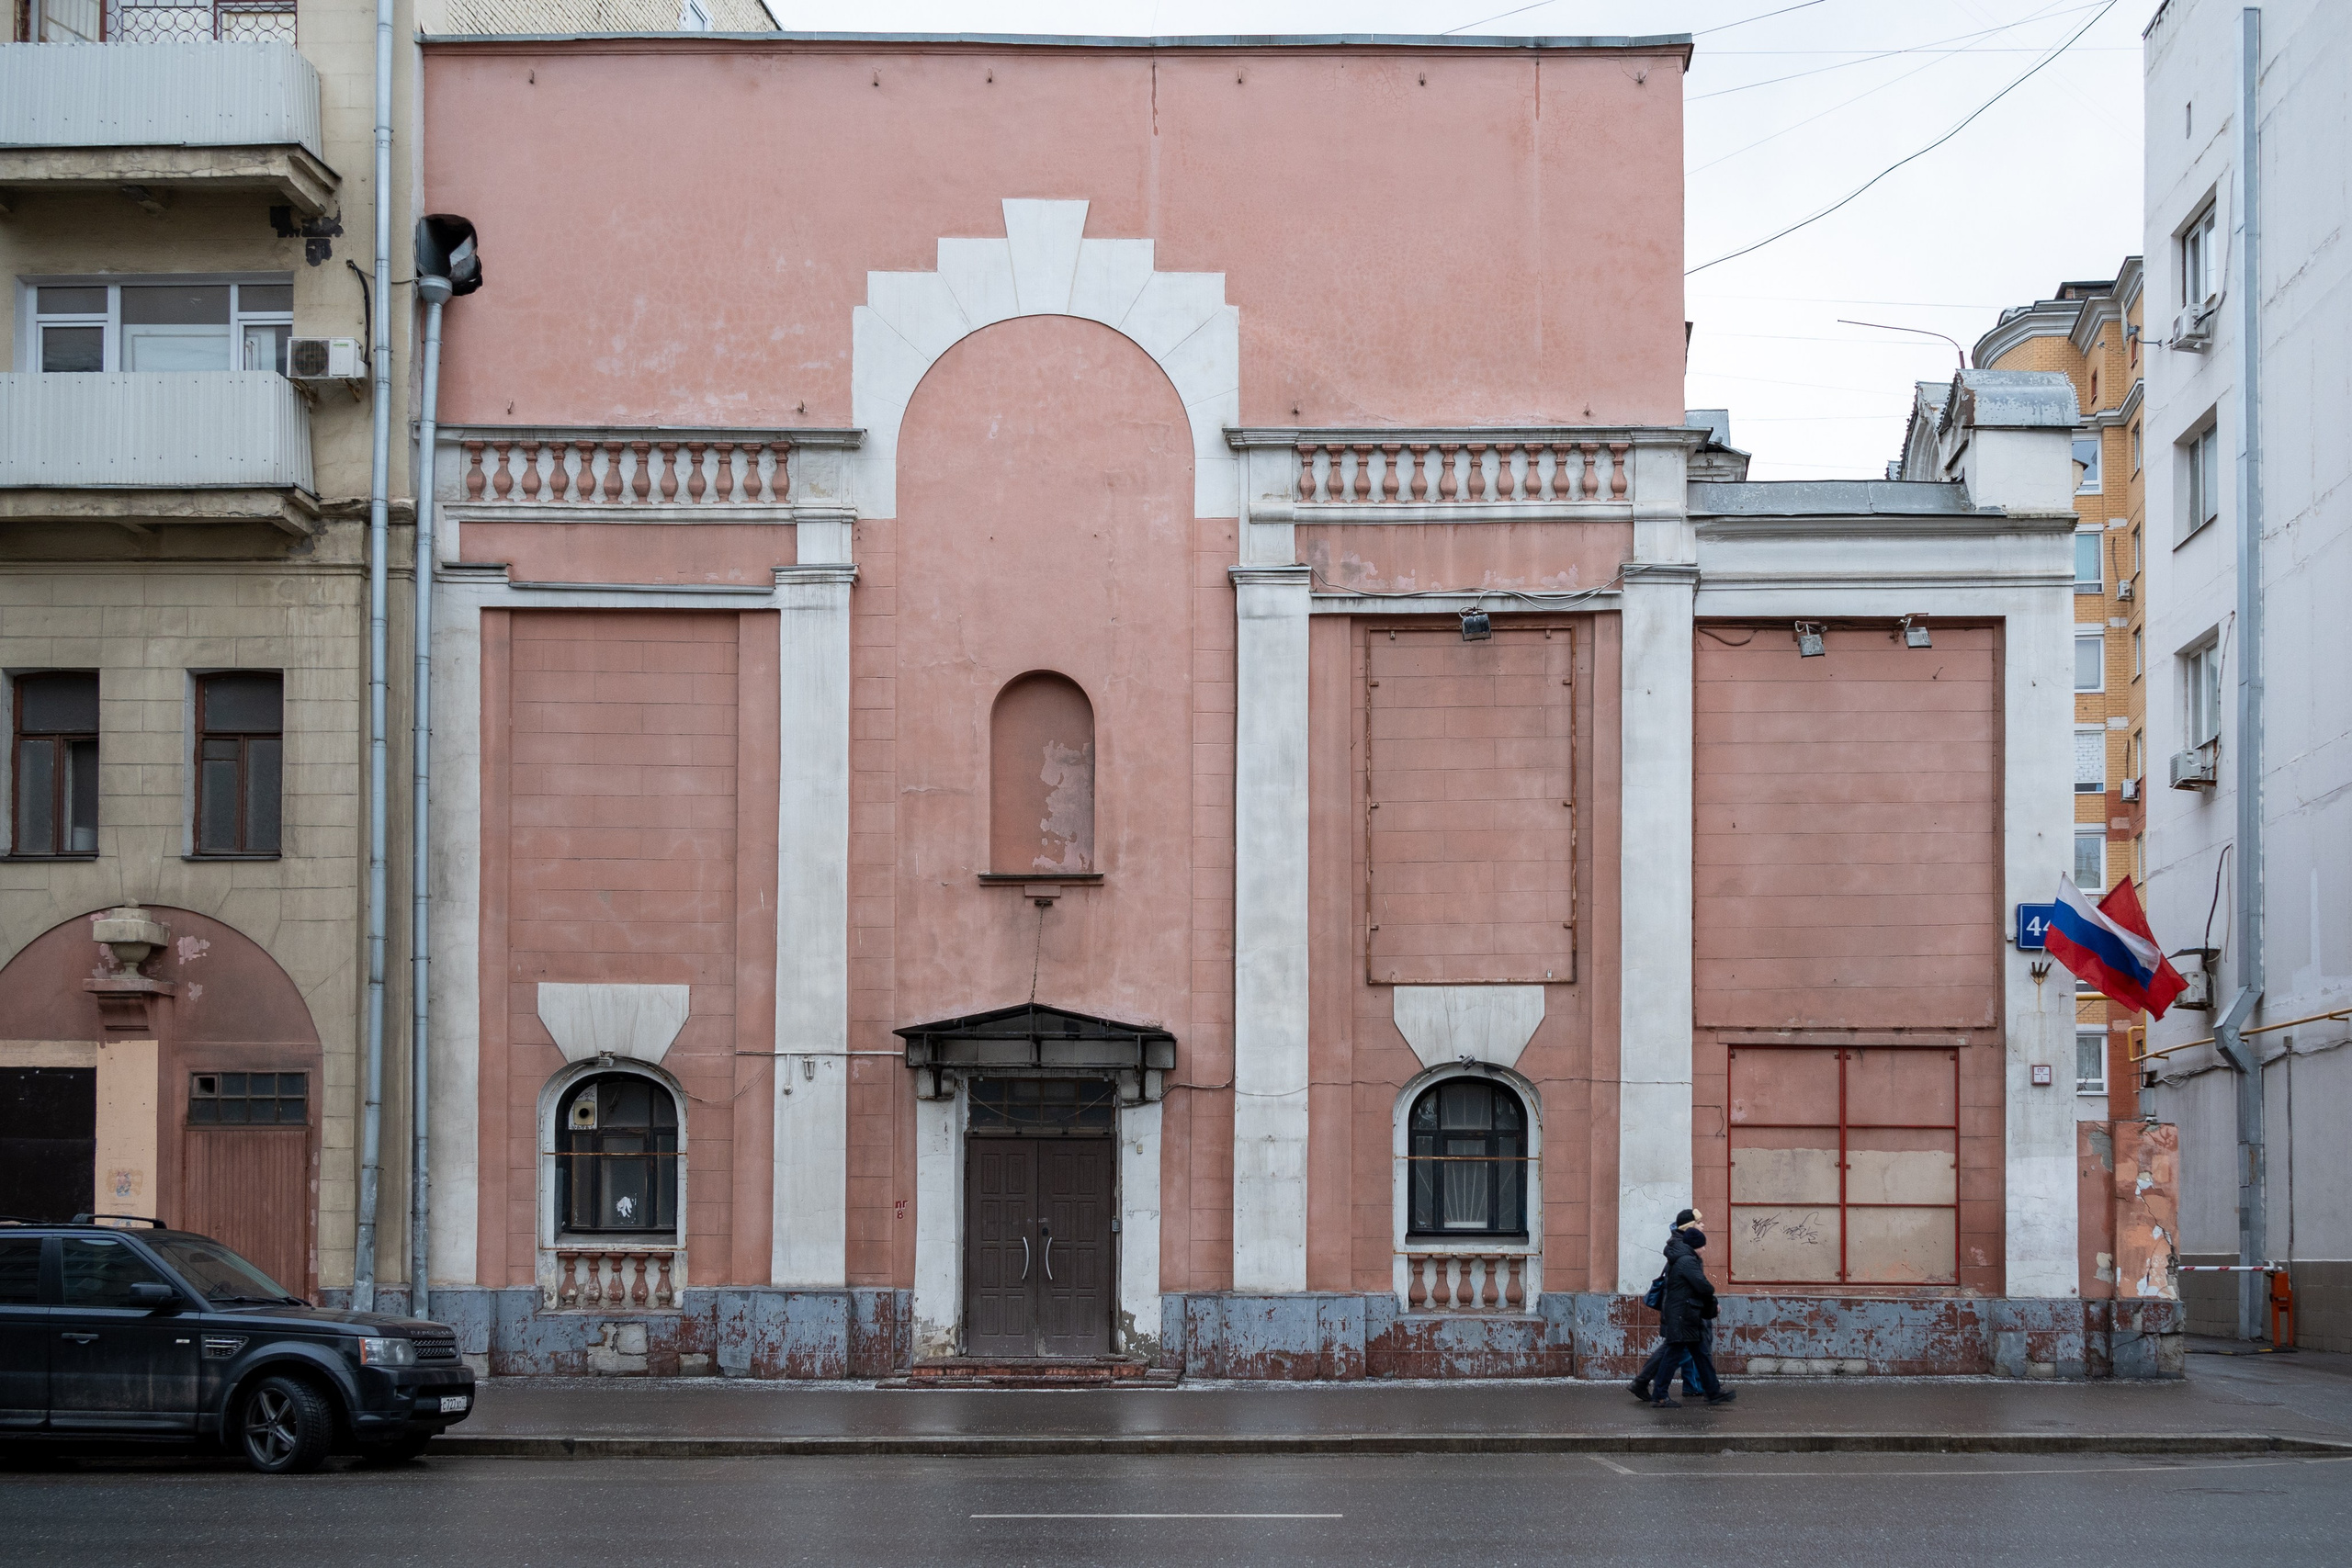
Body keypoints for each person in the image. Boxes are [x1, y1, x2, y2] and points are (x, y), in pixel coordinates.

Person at [1647, 1208, 1735, 1408]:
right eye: (1702, 1246)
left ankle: (1713, 1392)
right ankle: (1659, 1395)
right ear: (1696, 1246)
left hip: (1688, 1316)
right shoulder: (1687, 1261)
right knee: (1672, 1356)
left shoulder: (1686, 1258)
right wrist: (1712, 1302)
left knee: (1701, 1355)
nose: (1704, 1249)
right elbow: (1704, 1286)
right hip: (1682, 1317)